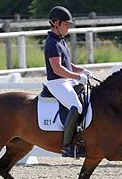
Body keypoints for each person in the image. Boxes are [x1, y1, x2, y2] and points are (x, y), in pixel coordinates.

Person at [44, 6, 92, 158]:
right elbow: (57, 69)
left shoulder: (60, 41)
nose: (68, 27)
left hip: (65, 81)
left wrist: (81, 70)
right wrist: (77, 77)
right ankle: (66, 146)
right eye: (66, 24)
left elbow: (67, 65)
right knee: (76, 106)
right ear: (56, 23)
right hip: (57, 83)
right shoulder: (51, 43)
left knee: (86, 98)